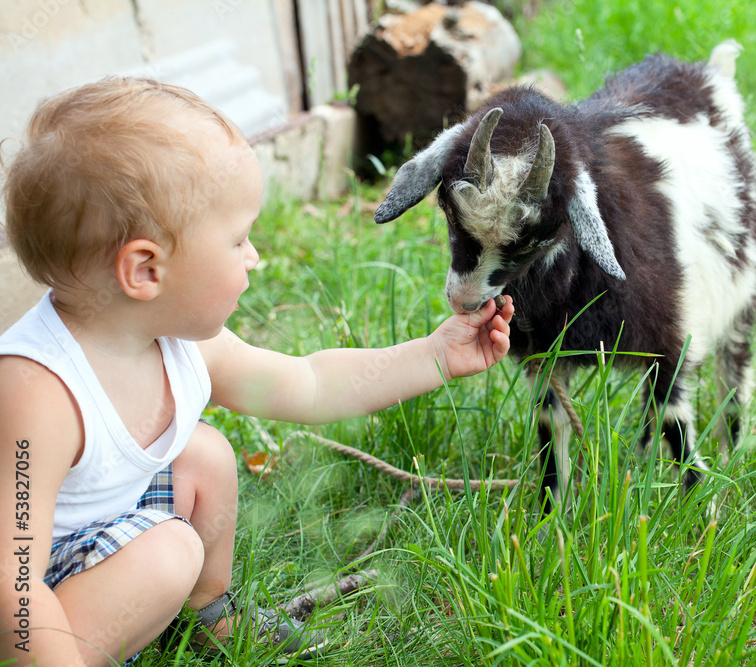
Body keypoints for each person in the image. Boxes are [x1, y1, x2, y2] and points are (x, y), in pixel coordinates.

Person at [0, 77, 514, 667]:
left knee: (205, 456)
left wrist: (435, 355)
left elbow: (312, 383)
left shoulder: (184, 344)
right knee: (171, 551)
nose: (255, 257)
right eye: (238, 239)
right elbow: (14, 586)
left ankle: (206, 616)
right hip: (36, 590)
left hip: (98, 541)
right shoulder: (36, 391)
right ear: (145, 271)